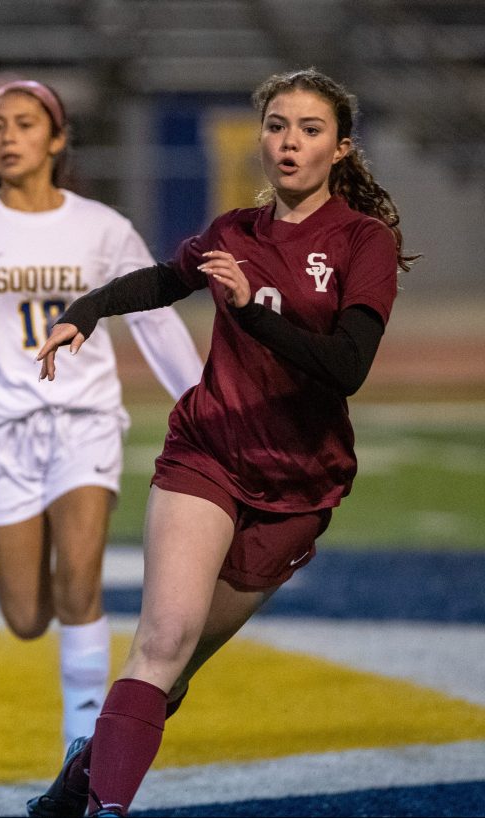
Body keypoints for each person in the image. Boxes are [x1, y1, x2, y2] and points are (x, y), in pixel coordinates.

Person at [28, 68, 419, 818]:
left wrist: (252, 310)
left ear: (340, 148)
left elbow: (348, 367)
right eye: (277, 126)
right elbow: (163, 281)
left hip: (299, 489)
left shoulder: (363, 241)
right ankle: (108, 809)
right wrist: (85, 310)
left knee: (172, 672)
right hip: (207, 454)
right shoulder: (233, 230)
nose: (289, 142)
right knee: (162, 639)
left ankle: (82, 774)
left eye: (309, 129)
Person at [0, 80, 204, 750]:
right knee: (28, 614)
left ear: (56, 140)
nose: (7, 136)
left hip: (82, 420)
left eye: (24, 124)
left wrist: (200, 399)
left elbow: (154, 320)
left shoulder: (102, 229)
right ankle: (64, 657)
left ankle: (82, 749)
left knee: (80, 584)